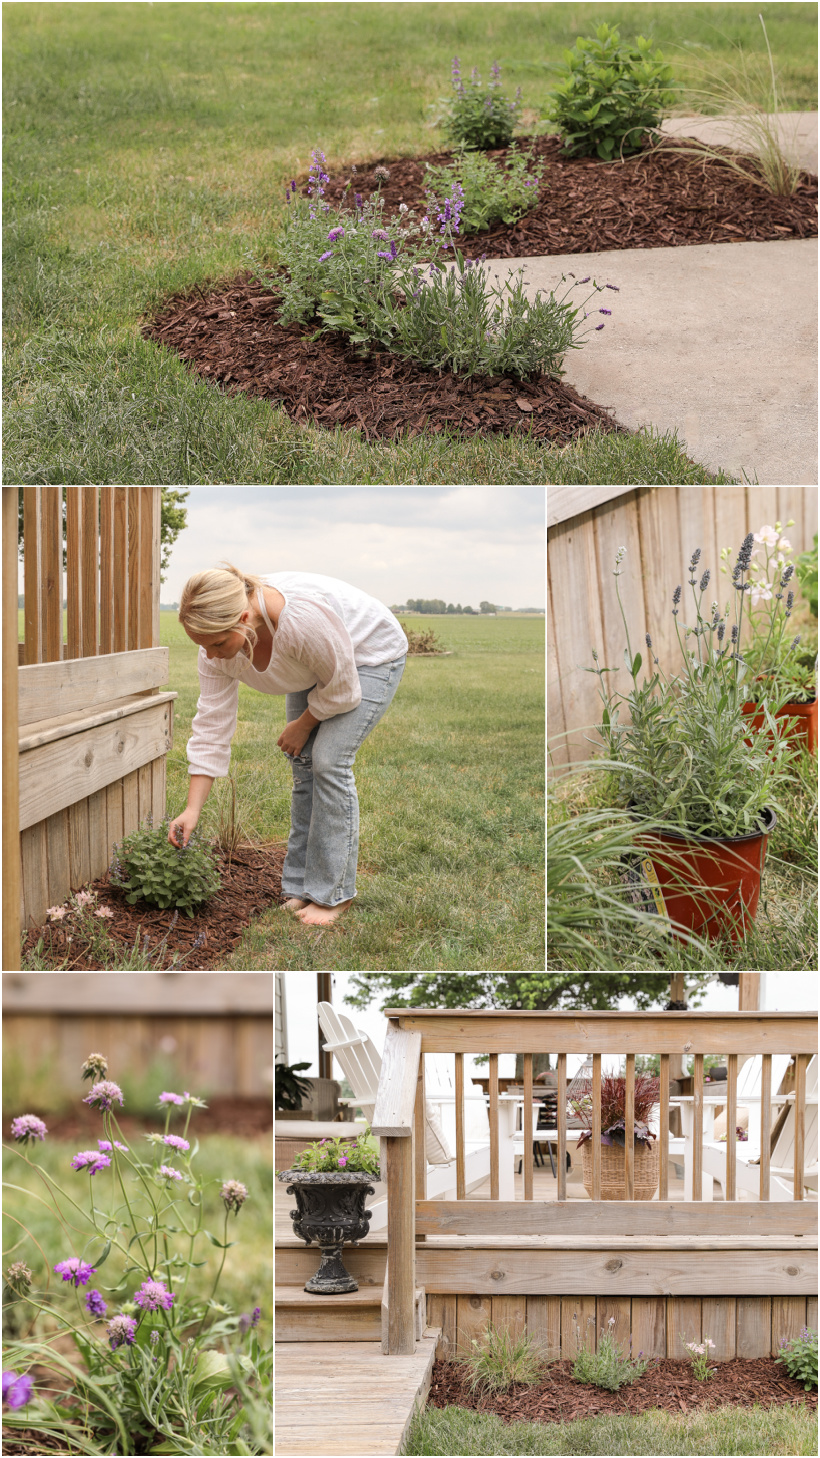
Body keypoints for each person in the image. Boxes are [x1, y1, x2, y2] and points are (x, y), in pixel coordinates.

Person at [170, 564, 407, 926]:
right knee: (304, 767)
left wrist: (303, 725)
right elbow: (211, 727)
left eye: (218, 643)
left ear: (244, 618)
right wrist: (192, 809)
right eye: (202, 645)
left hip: (367, 655)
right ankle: (300, 888)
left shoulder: (300, 620)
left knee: (328, 761)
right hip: (316, 663)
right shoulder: (214, 651)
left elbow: (343, 689)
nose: (212, 656)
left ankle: (332, 896)